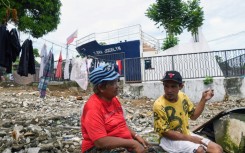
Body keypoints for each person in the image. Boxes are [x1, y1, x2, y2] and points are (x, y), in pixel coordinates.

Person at [81, 65, 149, 153]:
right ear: (101, 87)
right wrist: (133, 143)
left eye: (116, 82)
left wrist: (136, 136)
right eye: (112, 83)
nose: (117, 86)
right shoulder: (93, 108)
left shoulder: (113, 100)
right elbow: (100, 142)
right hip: (98, 149)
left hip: (120, 143)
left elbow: (121, 124)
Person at [153, 70, 223, 153]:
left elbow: (193, 116)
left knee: (217, 149)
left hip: (185, 134)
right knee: (200, 150)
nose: (169, 90)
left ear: (181, 86)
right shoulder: (159, 105)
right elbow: (166, 133)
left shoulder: (183, 97)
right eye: (166, 86)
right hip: (168, 140)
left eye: (173, 86)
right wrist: (192, 139)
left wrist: (203, 100)